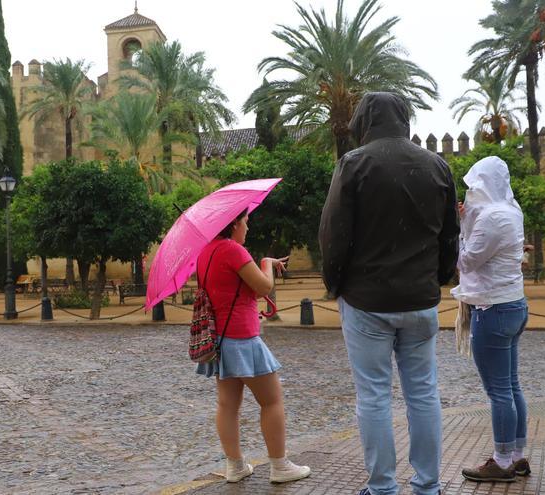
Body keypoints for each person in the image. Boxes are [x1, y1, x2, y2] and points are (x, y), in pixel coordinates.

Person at [319, 92, 460, 495]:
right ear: (404, 120)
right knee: (423, 393)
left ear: (363, 122)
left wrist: (337, 284)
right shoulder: (437, 165)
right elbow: (451, 234)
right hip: (420, 300)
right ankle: (428, 485)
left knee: (374, 396)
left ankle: (382, 487)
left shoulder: (353, 164)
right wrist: (437, 278)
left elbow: (334, 234)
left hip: (367, 302)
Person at [195, 209, 311, 485]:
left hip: (219, 339)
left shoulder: (204, 253)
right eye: (245, 223)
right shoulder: (233, 251)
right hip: (242, 337)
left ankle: (235, 466)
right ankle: (280, 466)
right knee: (272, 401)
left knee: (227, 405)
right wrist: (266, 262)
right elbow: (263, 286)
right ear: (234, 223)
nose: (247, 228)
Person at [451, 156, 530, 483]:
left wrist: (460, 229)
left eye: (473, 184)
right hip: (514, 304)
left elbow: (466, 262)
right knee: (511, 386)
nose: (470, 191)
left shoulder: (491, 218)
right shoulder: (512, 211)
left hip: (492, 310)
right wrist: (468, 221)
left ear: (483, 183)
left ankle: (500, 461)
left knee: (499, 391)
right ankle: (517, 455)